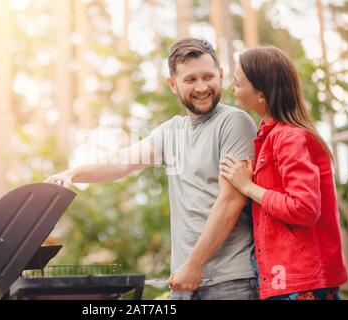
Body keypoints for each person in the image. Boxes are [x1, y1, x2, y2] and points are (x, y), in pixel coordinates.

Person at [45, 38, 259, 300]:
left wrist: (194, 265)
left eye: (208, 76)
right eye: (190, 80)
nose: (202, 87)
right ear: (173, 84)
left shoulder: (234, 122)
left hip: (229, 282)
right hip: (185, 282)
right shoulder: (173, 132)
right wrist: (72, 174)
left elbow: (230, 202)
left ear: (221, 75)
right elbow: (122, 162)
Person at [220, 45, 348, 300]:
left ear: (261, 95)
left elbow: (304, 207)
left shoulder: (289, 138)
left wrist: (248, 187)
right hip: (286, 279)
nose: (231, 87)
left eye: (237, 82)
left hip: (302, 282)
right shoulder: (269, 135)